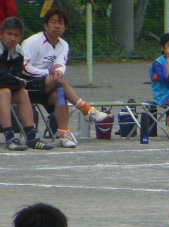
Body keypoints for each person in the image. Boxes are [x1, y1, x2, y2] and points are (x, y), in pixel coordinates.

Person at [21, 7, 109, 148]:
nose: (57, 26)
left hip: (49, 86)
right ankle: (85, 109)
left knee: (60, 95)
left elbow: (60, 65)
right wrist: (48, 73)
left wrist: (58, 72)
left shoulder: (63, 45)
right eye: (53, 22)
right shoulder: (33, 42)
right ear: (46, 25)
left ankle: (63, 134)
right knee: (56, 79)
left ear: (65, 28)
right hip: (26, 85)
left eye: (60, 23)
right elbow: (24, 67)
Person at [0, 17, 54, 151]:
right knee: (5, 91)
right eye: (9, 34)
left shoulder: (18, 51)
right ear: (1, 34)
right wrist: (17, 81)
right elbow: (3, 77)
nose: (12, 38)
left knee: (22, 93)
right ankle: (9, 137)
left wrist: (18, 82)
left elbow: (16, 77)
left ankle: (31, 137)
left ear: (20, 38)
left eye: (16, 35)